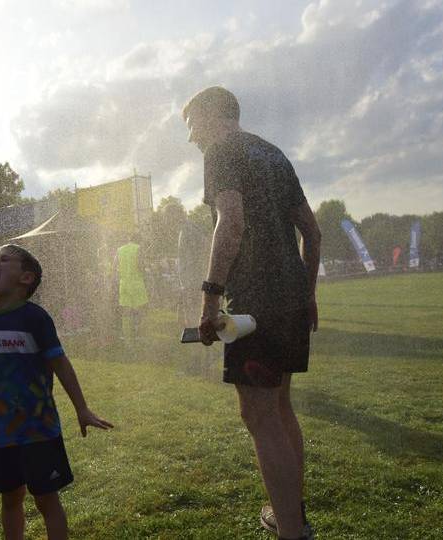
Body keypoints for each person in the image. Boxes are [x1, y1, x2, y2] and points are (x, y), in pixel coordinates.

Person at [183, 86, 321, 540]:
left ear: (212, 115)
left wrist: (210, 297)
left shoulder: (222, 150)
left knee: (259, 416)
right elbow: (312, 232)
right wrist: (308, 292)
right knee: (280, 409)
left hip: (254, 302)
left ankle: (291, 531)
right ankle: (291, 515)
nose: (191, 139)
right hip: (291, 299)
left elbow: (232, 220)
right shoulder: (275, 154)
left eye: (191, 126)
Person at [0, 244, 112, 540]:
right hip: (0, 432)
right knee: (10, 499)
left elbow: (60, 364)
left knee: (46, 500)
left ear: (26, 278)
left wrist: (82, 408)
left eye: (4, 260)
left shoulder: (35, 318)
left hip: (38, 430)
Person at [115, 232, 148, 339]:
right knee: (141, 310)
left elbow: (115, 266)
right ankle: (141, 335)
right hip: (137, 283)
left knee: (126, 312)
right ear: (139, 240)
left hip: (124, 284)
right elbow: (140, 265)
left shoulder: (119, 250)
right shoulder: (138, 248)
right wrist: (145, 272)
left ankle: (127, 338)